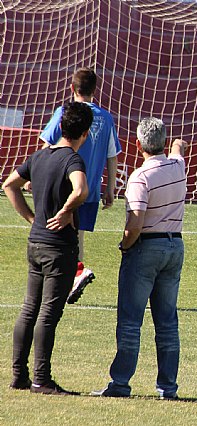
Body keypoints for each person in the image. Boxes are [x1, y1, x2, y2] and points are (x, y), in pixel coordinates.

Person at [92, 118, 187, 399]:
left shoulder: (140, 178)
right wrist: (176, 145)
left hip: (146, 246)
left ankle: (120, 383)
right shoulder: (177, 165)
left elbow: (135, 224)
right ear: (164, 143)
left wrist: (124, 245)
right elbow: (180, 147)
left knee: (131, 321)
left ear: (137, 145)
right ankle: (167, 387)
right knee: (167, 322)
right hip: (175, 246)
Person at [3, 102, 93, 395]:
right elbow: (81, 190)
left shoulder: (40, 156)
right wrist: (68, 210)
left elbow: (9, 185)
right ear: (86, 132)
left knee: (29, 309)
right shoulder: (72, 160)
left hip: (36, 242)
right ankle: (41, 379)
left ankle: (18, 375)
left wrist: (32, 218)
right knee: (48, 313)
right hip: (59, 248)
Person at [39, 67, 122, 304]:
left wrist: (36, 173)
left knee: (54, 232)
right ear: (95, 90)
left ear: (72, 88)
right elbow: (112, 155)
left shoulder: (66, 112)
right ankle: (71, 280)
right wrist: (110, 188)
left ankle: (74, 273)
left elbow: (48, 143)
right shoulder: (106, 118)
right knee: (77, 235)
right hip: (91, 188)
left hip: (63, 183)